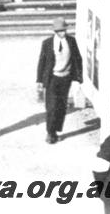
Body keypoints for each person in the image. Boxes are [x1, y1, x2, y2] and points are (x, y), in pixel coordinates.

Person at [36, 16, 83, 144]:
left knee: (61, 106)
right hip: (52, 78)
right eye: (59, 31)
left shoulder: (72, 41)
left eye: (64, 30)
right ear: (55, 32)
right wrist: (39, 81)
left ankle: (56, 130)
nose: (62, 33)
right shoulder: (47, 43)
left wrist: (79, 79)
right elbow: (42, 62)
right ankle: (50, 133)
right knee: (51, 106)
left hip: (66, 78)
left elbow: (78, 59)